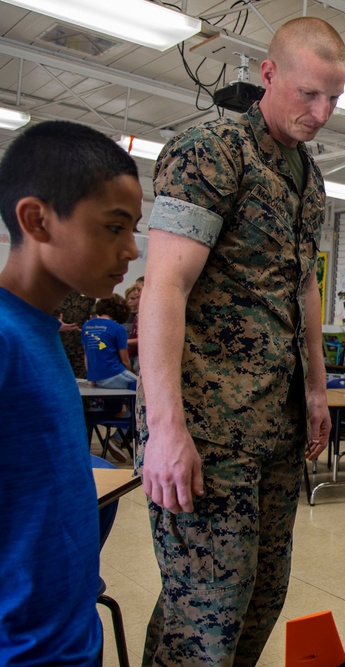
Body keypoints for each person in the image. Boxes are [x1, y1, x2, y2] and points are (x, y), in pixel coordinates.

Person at [136, 17, 345, 665]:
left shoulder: (309, 180)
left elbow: (303, 287)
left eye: (335, 98)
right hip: (206, 430)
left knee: (260, 599)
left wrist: (315, 386)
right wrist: (167, 430)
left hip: (274, 429)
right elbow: (163, 287)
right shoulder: (213, 149)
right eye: (310, 93)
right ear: (269, 74)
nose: (322, 112)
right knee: (206, 613)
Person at [0, 120, 141, 666]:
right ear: (37, 220)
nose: (131, 249)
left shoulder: (40, 330)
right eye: (114, 227)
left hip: (71, 635)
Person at [83, 294, 137, 390]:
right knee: (143, 388)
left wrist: (91, 378)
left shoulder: (87, 326)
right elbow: (125, 360)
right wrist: (128, 371)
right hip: (114, 373)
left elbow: (87, 355)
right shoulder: (118, 328)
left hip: (96, 377)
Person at [55, 291, 96, 378]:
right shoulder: (54, 294)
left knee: (82, 383)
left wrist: (91, 328)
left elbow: (94, 318)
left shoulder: (88, 295)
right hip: (58, 347)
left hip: (80, 349)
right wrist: (56, 326)